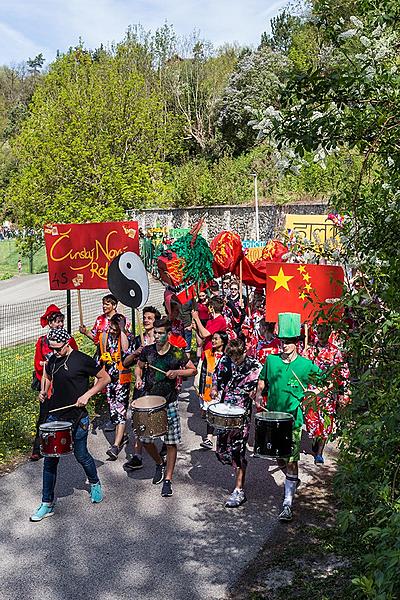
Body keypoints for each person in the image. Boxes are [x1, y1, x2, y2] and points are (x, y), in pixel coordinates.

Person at [30, 328, 110, 522]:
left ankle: (94, 482)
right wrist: (43, 390)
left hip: (78, 417)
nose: (55, 352)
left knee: (81, 454)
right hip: (55, 415)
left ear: (67, 344)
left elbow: (105, 378)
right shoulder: (52, 359)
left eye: (58, 349)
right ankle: (47, 503)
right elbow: (47, 376)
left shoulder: (82, 360)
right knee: (50, 460)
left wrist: (88, 395)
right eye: (52, 349)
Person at [255, 313, 323, 522]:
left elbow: (324, 381)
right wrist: (258, 395)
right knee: (279, 458)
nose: (284, 345)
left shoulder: (305, 365)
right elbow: (262, 381)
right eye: (282, 341)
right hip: (272, 417)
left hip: (293, 420)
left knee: (291, 460)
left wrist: (315, 393)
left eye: (289, 342)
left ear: (297, 343)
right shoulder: (272, 360)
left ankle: (287, 504)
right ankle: (292, 480)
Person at [134, 318, 197, 497]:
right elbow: (139, 367)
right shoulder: (147, 351)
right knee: (146, 440)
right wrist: (138, 378)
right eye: (156, 332)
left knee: (170, 442)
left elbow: (193, 370)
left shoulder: (177, 354)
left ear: (169, 335)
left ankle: (168, 479)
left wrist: (177, 372)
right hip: (149, 401)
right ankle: (159, 463)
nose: (157, 336)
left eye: (161, 333)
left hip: (169, 402)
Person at [215, 338, 261, 508]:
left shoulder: (254, 366)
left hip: (242, 414)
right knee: (221, 452)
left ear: (244, 352)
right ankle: (240, 465)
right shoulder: (225, 360)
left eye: (237, 358)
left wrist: (256, 392)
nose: (234, 361)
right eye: (232, 357)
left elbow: (263, 385)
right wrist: (214, 388)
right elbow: (216, 376)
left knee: (237, 450)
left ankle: (238, 490)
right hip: (224, 411)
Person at [31, 305, 78, 461]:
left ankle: (67, 442)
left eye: (61, 322)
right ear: (50, 323)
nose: (59, 324)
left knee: (66, 413)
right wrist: (46, 364)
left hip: (63, 384)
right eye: (56, 322)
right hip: (47, 384)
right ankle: (39, 448)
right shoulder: (42, 342)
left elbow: (75, 358)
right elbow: (37, 363)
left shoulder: (69, 340)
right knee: (43, 416)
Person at [303, 323, 350, 464]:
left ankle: (319, 452)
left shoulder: (336, 352)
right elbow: (303, 370)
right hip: (311, 392)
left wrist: (344, 392)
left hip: (328, 393)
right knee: (311, 421)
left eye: (325, 331)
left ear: (330, 332)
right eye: (320, 331)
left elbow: (343, 373)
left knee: (326, 423)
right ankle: (315, 440)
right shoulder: (310, 350)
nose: (322, 335)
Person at [123, 305, 161, 471]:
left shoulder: (162, 339)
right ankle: (137, 456)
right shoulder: (138, 340)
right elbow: (126, 363)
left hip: (159, 386)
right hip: (142, 385)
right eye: (145, 317)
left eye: (150, 318)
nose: (146, 320)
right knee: (139, 420)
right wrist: (136, 353)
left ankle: (167, 445)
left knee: (159, 419)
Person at [98, 313, 131, 460]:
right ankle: (122, 435)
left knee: (121, 409)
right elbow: (99, 356)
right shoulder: (104, 337)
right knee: (113, 410)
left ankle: (116, 445)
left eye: (116, 327)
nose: (113, 329)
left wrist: (122, 330)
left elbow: (125, 349)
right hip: (108, 378)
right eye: (112, 326)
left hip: (122, 379)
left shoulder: (126, 336)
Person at [198, 331, 230, 449]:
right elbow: (203, 372)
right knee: (210, 412)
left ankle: (224, 439)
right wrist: (201, 390)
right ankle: (209, 437)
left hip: (224, 389)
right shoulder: (208, 354)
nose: (213, 341)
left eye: (216, 339)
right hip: (210, 388)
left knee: (224, 413)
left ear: (223, 341)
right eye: (213, 339)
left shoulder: (228, 355)